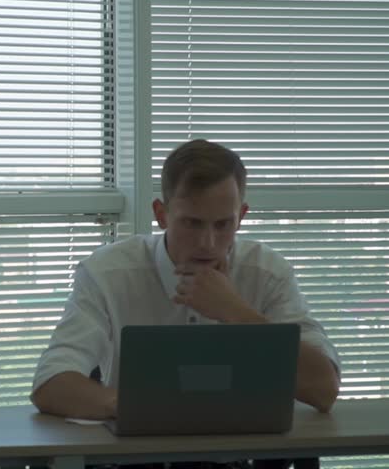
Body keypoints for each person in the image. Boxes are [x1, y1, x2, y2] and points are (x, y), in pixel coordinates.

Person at [31, 139, 340, 469]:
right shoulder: (107, 274)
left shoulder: (267, 273)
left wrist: (235, 312)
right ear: (161, 214)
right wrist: (135, 405)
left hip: (241, 458)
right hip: (139, 460)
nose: (207, 243)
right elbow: (50, 384)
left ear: (242, 216)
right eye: (192, 223)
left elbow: (323, 389)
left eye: (223, 224)